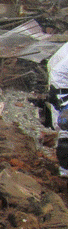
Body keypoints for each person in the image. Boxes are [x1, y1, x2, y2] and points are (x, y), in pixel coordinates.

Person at [43, 41, 68, 177]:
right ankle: (65, 172)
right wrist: (64, 102)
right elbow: (57, 73)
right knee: (65, 127)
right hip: (61, 85)